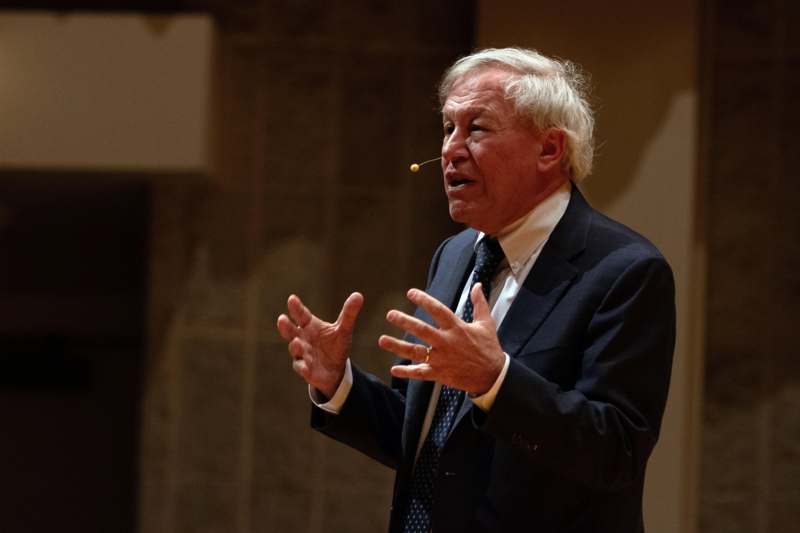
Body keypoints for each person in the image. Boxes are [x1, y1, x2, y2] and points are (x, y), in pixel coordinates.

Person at [276, 47, 675, 533]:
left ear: (549, 150)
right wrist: (339, 384)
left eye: (476, 129)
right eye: (448, 128)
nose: (450, 150)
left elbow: (617, 451)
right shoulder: (455, 255)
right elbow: (428, 441)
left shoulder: (624, 271)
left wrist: (495, 381)